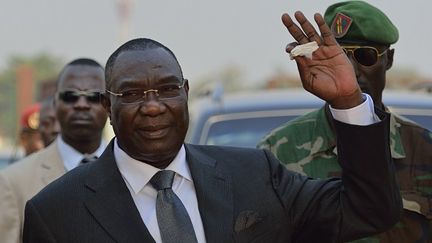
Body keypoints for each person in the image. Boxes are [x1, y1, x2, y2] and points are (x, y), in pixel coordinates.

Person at [23, 12, 401, 243]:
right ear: (108, 105)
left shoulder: (256, 174)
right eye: (133, 93)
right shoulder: (56, 212)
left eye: (168, 89)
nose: (153, 106)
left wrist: (348, 101)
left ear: (186, 93)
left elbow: (370, 211)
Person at [258, 1, 432, 242]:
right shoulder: (277, 152)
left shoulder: (424, 150)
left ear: (389, 59)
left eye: (364, 56)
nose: (349, 71)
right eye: (337, 57)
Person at [0, 58, 108, 243]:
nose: (81, 104)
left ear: (110, 103)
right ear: (55, 102)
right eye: (70, 96)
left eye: (93, 96)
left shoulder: (134, 170)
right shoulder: (14, 182)